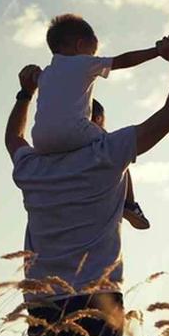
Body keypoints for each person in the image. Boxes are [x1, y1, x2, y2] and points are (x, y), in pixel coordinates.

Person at [3, 34, 169, 336]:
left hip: (43, 306)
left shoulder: (31, 167)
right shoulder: (106, 154)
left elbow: (13, 136)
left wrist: (25, 94)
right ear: (88, 119)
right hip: (97, 301)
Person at [33, 13, 154, 229]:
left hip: (40, 141)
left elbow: (35, 81)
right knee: (117, 148)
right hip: (73, 130)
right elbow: (124, 60)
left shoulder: (45, 74)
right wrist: (156, 52)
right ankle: (129, 204)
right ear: (80, 45)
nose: (92, 57)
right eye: (92, 52)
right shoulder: (82, 63)